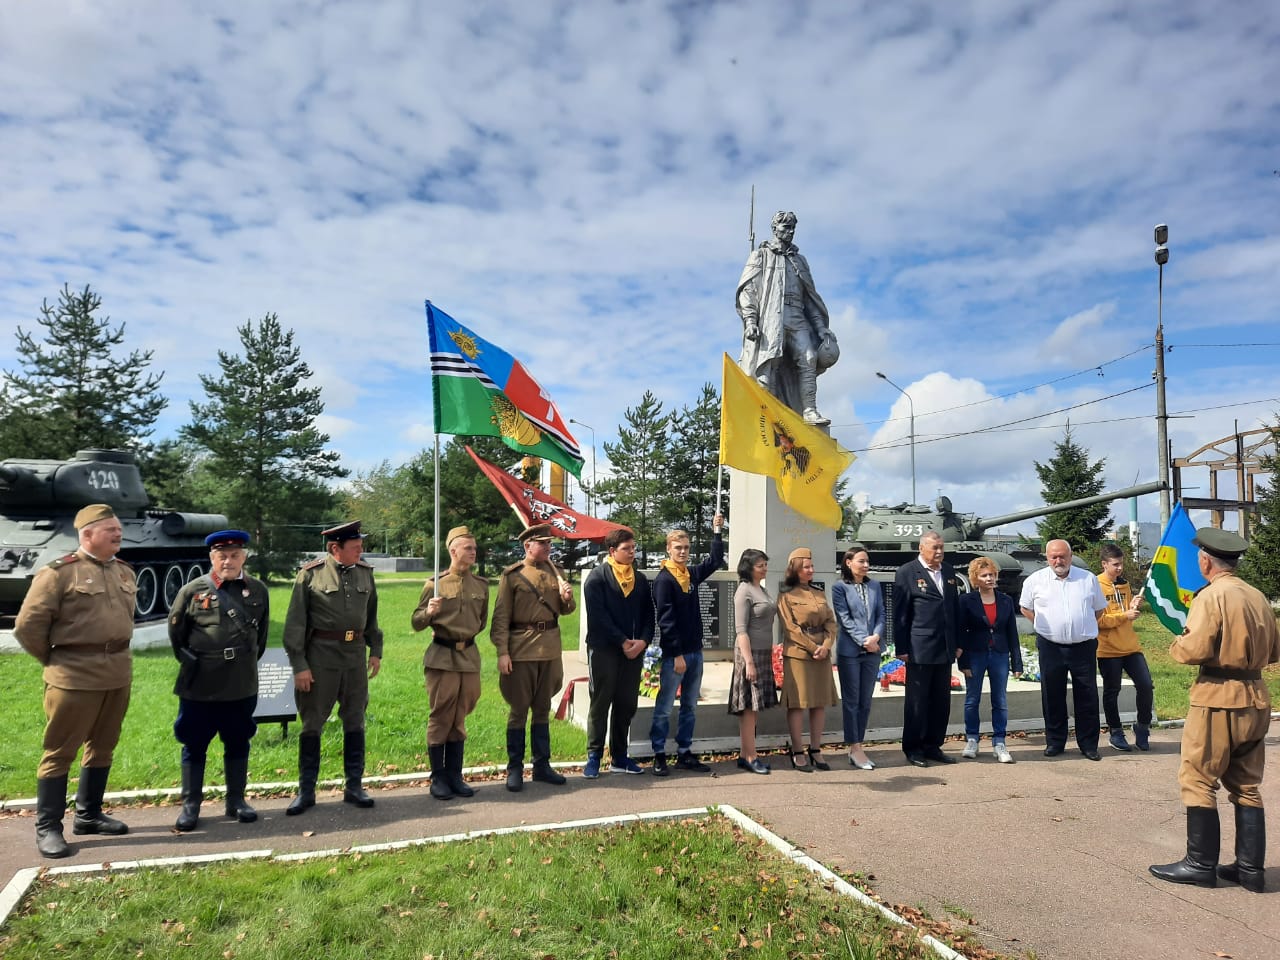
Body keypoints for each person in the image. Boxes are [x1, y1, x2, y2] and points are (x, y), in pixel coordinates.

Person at [1150, 528, 1280, 892]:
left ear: (1205, 561)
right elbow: (1274, 651)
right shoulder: (1257, 596)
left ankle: (1200, 864)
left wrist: (1178, 642)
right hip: (1256, 694)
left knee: (1198, 779)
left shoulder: (1211, 597)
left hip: (1217, 696)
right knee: (1246, 785)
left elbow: (1193, 650)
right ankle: (1251, 870)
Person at [15, 504, 135, 859]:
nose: (118, 534)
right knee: (60, 752)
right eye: (110, 529)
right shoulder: (58, 573)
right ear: (87, 535)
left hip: (117, 672)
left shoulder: (124, 571)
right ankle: (48, 827)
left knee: (103, 746)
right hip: (73, 676)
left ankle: (89, 815)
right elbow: (28, 626)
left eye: (119, 529)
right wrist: (57, 660)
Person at [166, 529, 269, 831]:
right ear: (212, 557)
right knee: (194, 743)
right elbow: (177, 636)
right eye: (222, 555)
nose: (228, 560)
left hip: (240, 683)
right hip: (200, 683)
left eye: (235, 555)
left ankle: (236, 801)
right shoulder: (193, 591)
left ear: (244, 556)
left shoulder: (258, 591)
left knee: (238, 741)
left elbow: (259, 638)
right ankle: (191, 805)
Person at [282, 520, 383, 815]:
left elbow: (372, 617)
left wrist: (375, 651)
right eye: (355, 547)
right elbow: (294, 625)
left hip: (354, 658)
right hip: (320, 658)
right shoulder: (310, 575)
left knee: (355, 720)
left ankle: (354, 786)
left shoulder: (365, 574)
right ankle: (306, 790)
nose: (360, 551)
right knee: (313, 722)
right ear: (334, 548)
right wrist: (300, 665)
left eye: (361, 546)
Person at [491, 522, 576, 792]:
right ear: (528, 546)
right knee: (518, 710)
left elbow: (565, 611)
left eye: (550, 543)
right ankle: (514, 768)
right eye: (544, 544)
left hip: (549, 648)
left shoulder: (556, 571)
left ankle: (542, 766)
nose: (549, 547)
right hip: (522, 649)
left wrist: (567, 598)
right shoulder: (513, 575)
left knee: (542, 708)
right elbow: (501, 617)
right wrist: (503, 652)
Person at [735, 210, 837, 425]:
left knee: (809, 357)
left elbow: (810, 298)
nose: (790, 232)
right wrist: (751, 321)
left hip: (797, 316)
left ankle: (809, 410)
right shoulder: (761, 255)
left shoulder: (800, 261)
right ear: (774, 229)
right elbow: (749, 291)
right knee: (769, 361)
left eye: (792, 228)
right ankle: (765, 414)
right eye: (785, 227)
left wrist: (820, 327)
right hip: (772, 317)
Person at [410, 525, 489, 801]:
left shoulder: (481, 585)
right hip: (442, 658)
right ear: (453, 550)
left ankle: (455, 775)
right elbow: (416, 622)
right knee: (441, 715)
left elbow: (481, 622)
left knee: (459, 717)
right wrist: (429, 613)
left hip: (468, 657)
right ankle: (438, 777)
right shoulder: (435, 584)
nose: (473, 552)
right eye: (468, 548)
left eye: (475, 548)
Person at [649, 515, 725, 776]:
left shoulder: (690, 575)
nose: (682, 552)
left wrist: (717, 531)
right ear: (668, 549)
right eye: (677, 547)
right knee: (665, 707)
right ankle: (659, 754)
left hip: (695, 652)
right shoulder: (664, 580)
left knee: (690, 706)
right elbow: (666, 621)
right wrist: (677, 653)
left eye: (686, 548)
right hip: (676, 656)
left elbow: (715, 561)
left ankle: (684, 752)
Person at [1019, 539, 1107, 761]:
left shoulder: (1088, 579)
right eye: (1053, 557)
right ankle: (1055, 742)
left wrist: (1079, 627)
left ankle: (1088, 745)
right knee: (1052, 695)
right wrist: (1045, 626)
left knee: (1087, 696)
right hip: (1051, 647)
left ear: (1070, 556)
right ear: (1047, 558)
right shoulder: (1035, 581)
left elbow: (1098, 610)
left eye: (1062, 556)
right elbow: (1025, 608)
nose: (1058, 561)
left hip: (1083, 647)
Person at [582, 527, 653, 778]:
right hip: (604, 650)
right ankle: (593, 756)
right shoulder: (597, 578)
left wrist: (643, 641)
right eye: (627, 548)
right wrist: (622, 641)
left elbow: (648, 615)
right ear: (612, 551)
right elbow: (599, 618)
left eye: (634, 548)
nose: (632, 552)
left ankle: (620, 757)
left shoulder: (640, 579)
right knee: (601, 703)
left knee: (626, 704)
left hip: (633, 652)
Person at [893, 531, 961, 767]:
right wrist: (901, 647)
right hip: (919, 647)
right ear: (921, 548)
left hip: (944, 648)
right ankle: (913, 748)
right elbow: (900, 613)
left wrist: (957, 643)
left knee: (941, 701)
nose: (940, 552)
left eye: (942, 547)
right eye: (935, 548)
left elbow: (954, 609)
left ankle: (933, 745)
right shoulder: (907, 572)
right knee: (917, 701)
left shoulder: (949, 571)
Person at [776, 547, 838, 771]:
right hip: (799, 655)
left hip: (821, 653)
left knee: (819, 702)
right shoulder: (786, 595)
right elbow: (790, 629)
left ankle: (815, 749)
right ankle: (797, 750)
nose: (811, 570)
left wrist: (826, 646)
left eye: (812, 566)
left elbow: (831, 622)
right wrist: (813, 647)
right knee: (798, 703)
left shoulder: (818, 593)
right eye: (806, 567)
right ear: (795, 569)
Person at [957, 556, 1022, 764]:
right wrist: (964, 662)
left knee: (1000, 700)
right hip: (975, 654)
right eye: (984, 575)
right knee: (972, 699)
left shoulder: (1005, 600)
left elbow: (1012, 632)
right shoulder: (966, 601)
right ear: (976, 579)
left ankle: (999, 742)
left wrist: (1017, 663)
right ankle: (972, 739)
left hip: (1000, 654)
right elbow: (962, 632)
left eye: (992, 575)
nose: (989, 578)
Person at [1096, 543, 1154, 752]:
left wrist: (1132, 606)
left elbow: (1126, 613)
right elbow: (1098, 621)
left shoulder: (1124, 585)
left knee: (1146, 685)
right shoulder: (1095, 585)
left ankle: (1143, 727)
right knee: (1112, 691)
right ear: (1104, 564)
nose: (1119, 568)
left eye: (1121, 564)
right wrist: (1124, 615)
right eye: (1115, 564)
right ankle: (1116, 732)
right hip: (1108, 649)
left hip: (1131, 647)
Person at [832, 547, 885, 769]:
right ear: (848, 563)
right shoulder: (839, 587)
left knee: (865, 701)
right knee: (852, 702)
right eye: (861, 561)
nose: (866, 565)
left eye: (867, 561)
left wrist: (876, 637)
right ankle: (854, 748)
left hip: (872, 651)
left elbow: (881, 613)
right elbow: (844, 618)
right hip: (851, 651)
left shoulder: (874, 585)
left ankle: (859, 744)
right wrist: (864, 640)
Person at [729, 548, 779, 775]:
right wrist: (749, 662)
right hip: (749, 655)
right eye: (760, 565)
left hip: (763, 652)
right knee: (748, 708)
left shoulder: (762, 589)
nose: (764, 568)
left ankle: (744, 754)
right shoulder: (744, 591)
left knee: (754, 708)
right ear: (748, 567)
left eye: (765, 564)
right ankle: (750, 756)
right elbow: (741, 631)